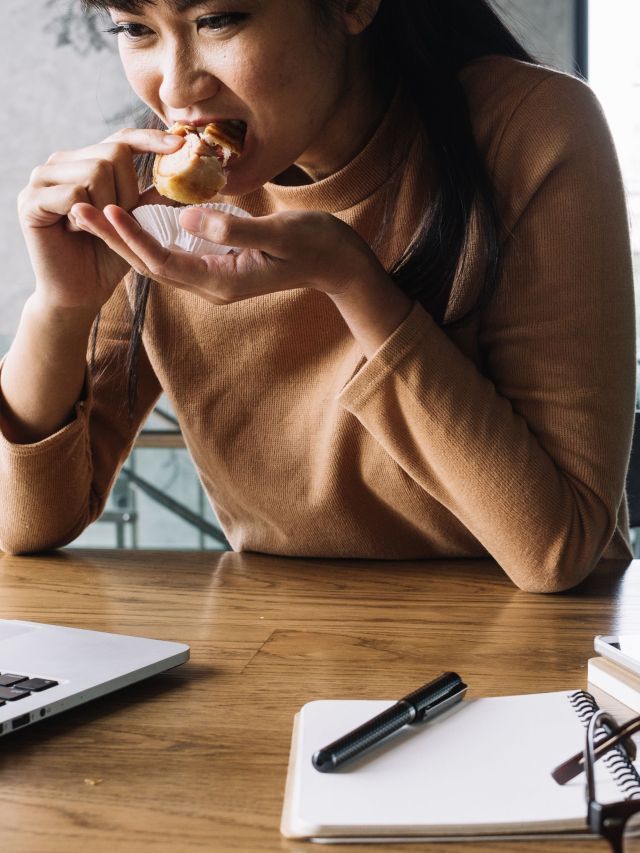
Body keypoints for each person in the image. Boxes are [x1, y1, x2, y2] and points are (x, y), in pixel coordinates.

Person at [0, 0, 635, 592]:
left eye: (218, 20)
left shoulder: (531, 128)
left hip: (535, 666)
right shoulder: (153, 196)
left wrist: (352, 283)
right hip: (284, 647)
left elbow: (558, 549)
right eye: (136, 29)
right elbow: (19, 527)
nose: (175, 89)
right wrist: (59, 309)